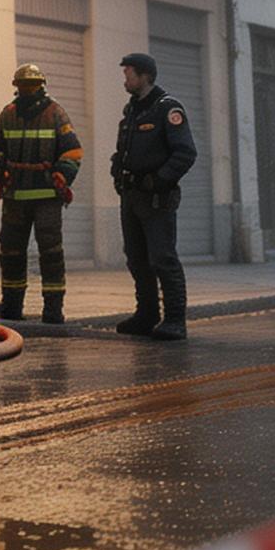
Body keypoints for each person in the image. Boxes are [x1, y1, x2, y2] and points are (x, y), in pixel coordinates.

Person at [0, 63, 83, 323]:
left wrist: (62, 176)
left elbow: (72, 151)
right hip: (15, 198)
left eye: (32, 85)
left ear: (41, 86)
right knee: (11, 253)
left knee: (50, 254)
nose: (28, 89)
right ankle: (12, 307)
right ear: (17, 87)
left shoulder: (56, 113)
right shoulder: (8, 114)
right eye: (24, 85)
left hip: (46, 198)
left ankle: (52, 310)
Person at [109, 51, 197, 341]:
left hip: (156, 198)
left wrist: (159, 180)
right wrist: (117, 171)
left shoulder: (167, 108)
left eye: (128, 74)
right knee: (136, 258)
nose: (125, 79)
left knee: (162, 257)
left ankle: (175, 320)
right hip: (131, 195)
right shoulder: (132, 110)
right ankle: (146, 315)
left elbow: (185, 153)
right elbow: (124, 149)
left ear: (144, 75)